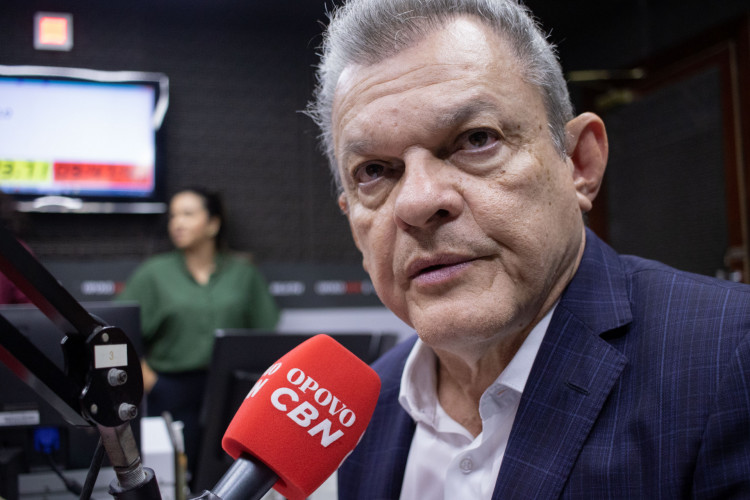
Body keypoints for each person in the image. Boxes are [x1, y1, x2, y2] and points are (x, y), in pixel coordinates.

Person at [307, 0, 750, 498]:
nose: (417, 202)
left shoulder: (730, 355)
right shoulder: (365, 406)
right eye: (374, 171)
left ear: (579, 163)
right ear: (352, 221)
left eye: (476, 139)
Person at [117, 186, 279, 476]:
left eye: (188, 214)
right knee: (176, 475)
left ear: (213, 224)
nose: (177, 223)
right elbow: (118, 335)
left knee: (231, 475)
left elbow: (264, 333)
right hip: (173, 390)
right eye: (173, 216)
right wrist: (149, 379)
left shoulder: (244, 273)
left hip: (235, 393)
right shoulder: (154, 273)